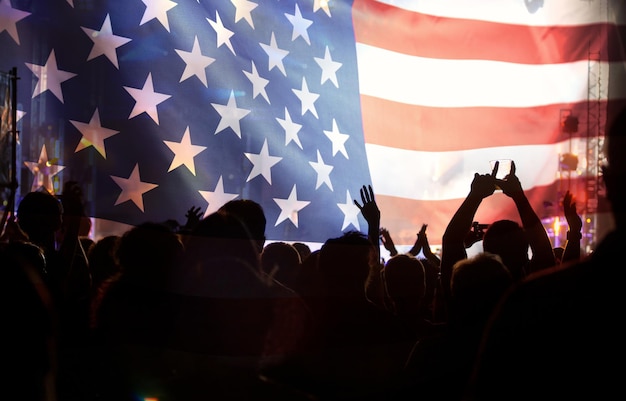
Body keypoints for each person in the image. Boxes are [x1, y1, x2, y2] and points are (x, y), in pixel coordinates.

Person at [463, 106, 626, 400]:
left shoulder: (537, 299)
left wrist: (479, 195)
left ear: (608, 183)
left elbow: (451, 246)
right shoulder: (549, 292)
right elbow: (541, 248)